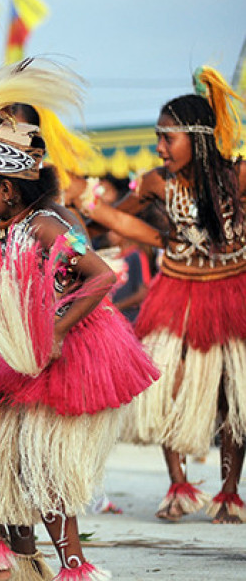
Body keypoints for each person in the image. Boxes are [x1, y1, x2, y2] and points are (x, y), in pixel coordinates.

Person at [0, 61, 157, 581]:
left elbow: (101, 277)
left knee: (44, 462)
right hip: (15, 349)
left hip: (59, 354)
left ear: (7, 190)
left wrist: (55, 328)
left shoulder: (45, 223)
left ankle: (74, 567)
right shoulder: (7, 224)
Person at [79, 67, 246, 524]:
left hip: (232, 294)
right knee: (168, 389)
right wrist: (81, 216)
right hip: (176, 292)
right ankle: (179, 486)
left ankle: (230, 495)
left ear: (198, 138)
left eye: (167, 137)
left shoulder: (238, 177)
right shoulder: (155, 181)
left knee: (233, 397)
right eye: (157, 137)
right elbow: (118, 219)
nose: (158, 147)